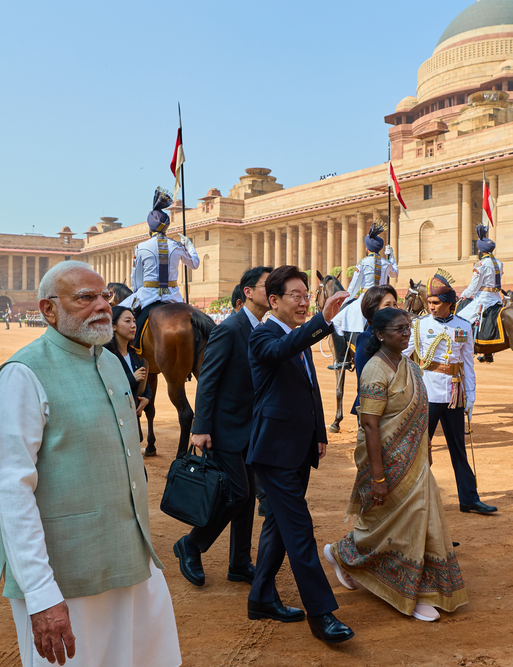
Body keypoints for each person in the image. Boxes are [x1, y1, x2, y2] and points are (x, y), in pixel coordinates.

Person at [0, 261, 180, 667]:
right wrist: (41, 594)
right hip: (63, 570)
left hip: (117, 557)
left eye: (104, 298)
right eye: (85, 298)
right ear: (48, 309)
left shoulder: (111, 363)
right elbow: (13, 490)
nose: (101, 306)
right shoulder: (23, 373)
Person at [324, 306, 467, 623]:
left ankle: (417, 584)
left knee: (421, 521)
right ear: (379, 335)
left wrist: (425, 448)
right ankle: (402, 588)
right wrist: (377, 477)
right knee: (399, 524)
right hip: (387, 462)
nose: (405, 333)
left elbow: (418, 412)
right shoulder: (375, 370)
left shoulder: (410, 366)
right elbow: (371, 426)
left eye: (407, 328)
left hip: (415, 460)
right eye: (398, 329)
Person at [246, 265, 353, 643]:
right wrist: (322, 321)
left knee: (277, 525)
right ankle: (321, 614)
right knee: (299, 530)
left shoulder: (296, 335)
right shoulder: (264, 336)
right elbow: (281, 351)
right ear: (273, 301)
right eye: (296, 295)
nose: (304, 300)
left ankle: (260, 598)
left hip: (298, 445)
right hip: (273, 451)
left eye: (307, 294)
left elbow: (308, 388)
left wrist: (318, 433)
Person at [174, 267, 272, 589]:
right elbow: (208, 381)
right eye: (265, 285)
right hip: (225, 427)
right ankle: (191, 544)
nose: (271, 290)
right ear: (247, 292)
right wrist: (200, 427)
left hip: (252, 428)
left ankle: (240, 562)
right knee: (239, 492)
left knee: (244, 499)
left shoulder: (265, 329)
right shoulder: (229, 328)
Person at [407, 270, 496, 515]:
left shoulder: (463, 327)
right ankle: (414, 500)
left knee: (459, 448)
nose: (431, 307)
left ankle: (469, 499)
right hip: (428, 394)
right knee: (420, 449)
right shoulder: (420, 325)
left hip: (454, 394)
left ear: (449, 303)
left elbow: (468, 364)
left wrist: (471, 396)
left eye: (436, 303)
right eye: (429, 303)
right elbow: (404, 355)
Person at [124, 187, 199, 352]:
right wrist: (189, 245)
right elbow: (194, 264)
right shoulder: (177, 246)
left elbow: (135, 279)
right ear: (166, 227)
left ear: (149, 228)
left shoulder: (141, 247)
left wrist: (137, 294)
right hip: (174, 296)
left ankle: (128, 354)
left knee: (116, 314)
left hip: (147, 294)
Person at [333, 222, 397, 337]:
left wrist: (346, 299)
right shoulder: (386, 263)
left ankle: (343, 352)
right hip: (382, 298)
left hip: (366, 298)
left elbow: (354, 285)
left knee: (336, 321)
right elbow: (394, 274)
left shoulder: (362, 263)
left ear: (367, 248)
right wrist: (392, 256)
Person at [349, 285, 399, 414]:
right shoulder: (365, 339)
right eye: (387, 305)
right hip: (373, 411)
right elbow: (364, 381)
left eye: (395, 304)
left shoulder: (395, 338)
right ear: (373, 310)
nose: (393, 309)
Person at [105, 305, 152, 436]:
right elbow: (106, 386)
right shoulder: (105, 356)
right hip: (114, 426)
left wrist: (146, 399)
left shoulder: (133, 354)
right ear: (113, 326)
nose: (133, 325)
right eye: (127, 321)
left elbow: (145, 383)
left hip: (133, 425)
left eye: (134, 321)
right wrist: (132, 378)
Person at [457, 224, 504, 328]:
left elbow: (474, 286)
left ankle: (464, 344)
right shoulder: (499, 263)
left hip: (483, 300)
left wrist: (464, 294)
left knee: (458, 321)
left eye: (478, 249)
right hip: (497, 299)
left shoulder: (481, 264)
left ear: (481, 251)